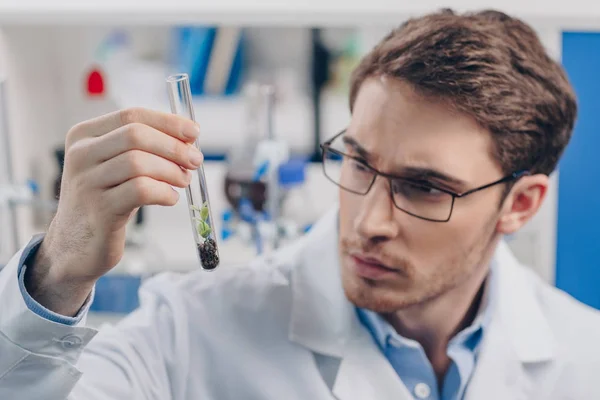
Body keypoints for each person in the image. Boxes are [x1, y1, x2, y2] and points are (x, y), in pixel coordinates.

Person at [1, 8, 598, 400]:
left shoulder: (584, 359)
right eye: (359, 162)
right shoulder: (192, 331)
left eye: (424, 188)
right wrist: (58, 275)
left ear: (521, 204)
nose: (369, 222)